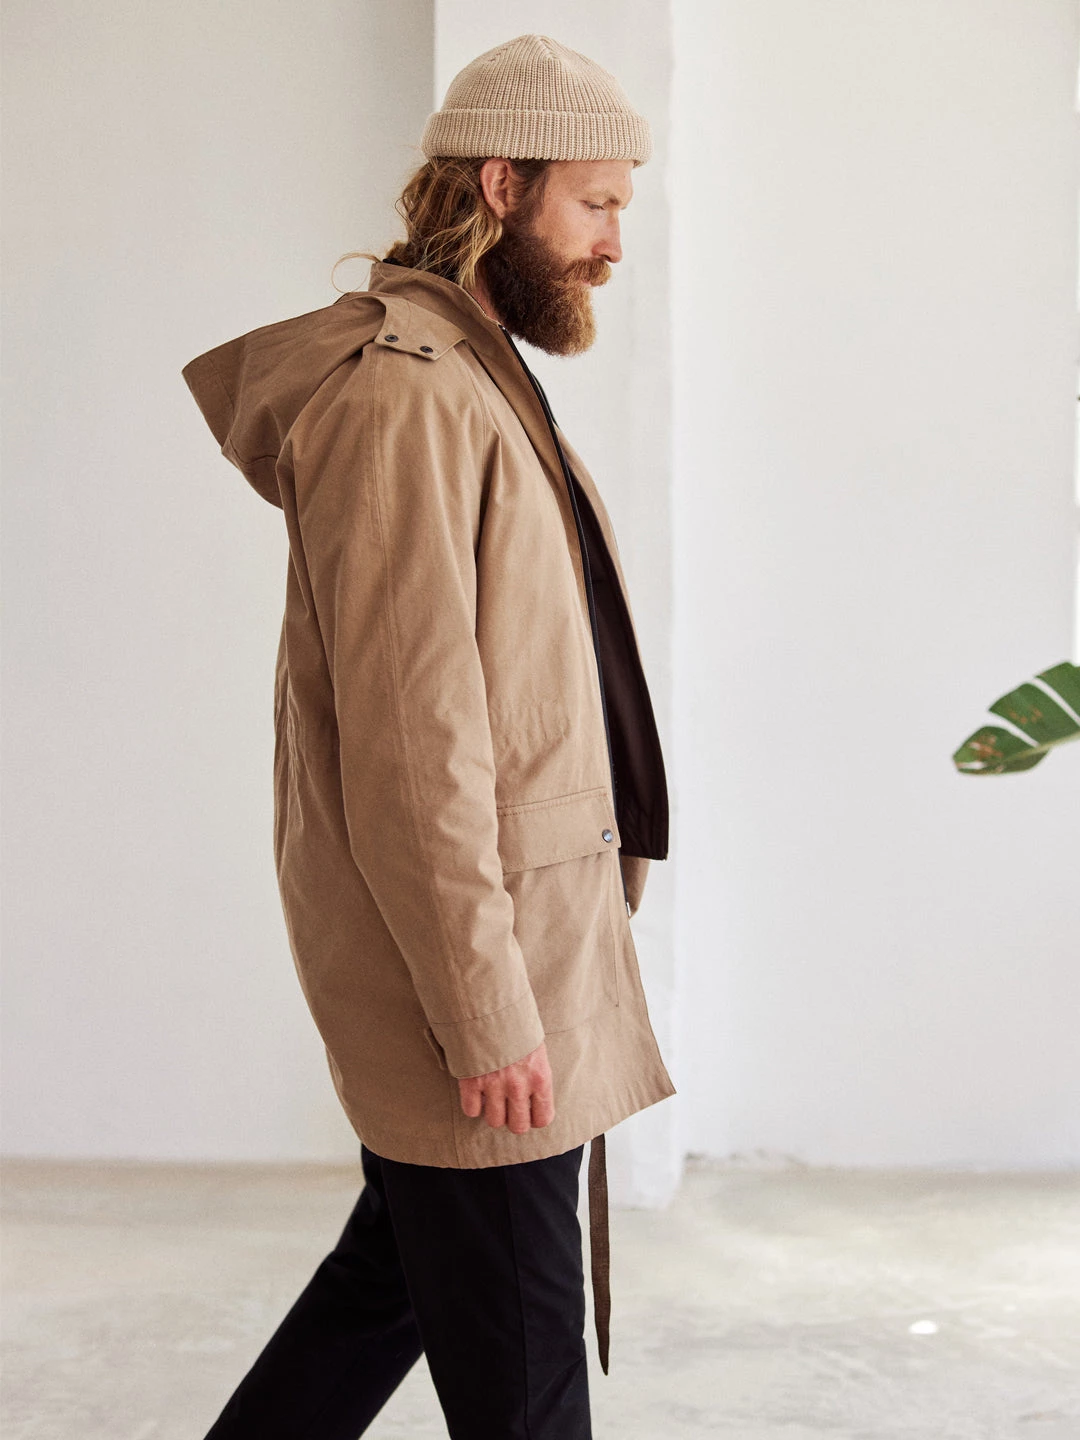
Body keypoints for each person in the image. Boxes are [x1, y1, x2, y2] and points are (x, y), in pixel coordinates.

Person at [182, 32, 673, 1440]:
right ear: (501, 186)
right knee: (523, 1383)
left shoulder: (472, 372)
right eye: (596, 203)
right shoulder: (407, 395)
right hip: (483, 969)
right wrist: (485, 1009)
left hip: (520, 938)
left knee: (389, 1285)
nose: (615, 243)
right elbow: (414, 740)